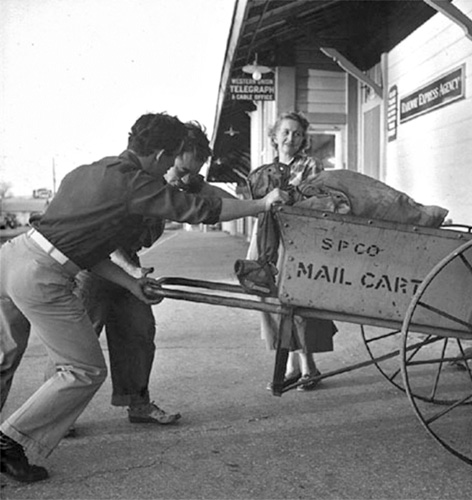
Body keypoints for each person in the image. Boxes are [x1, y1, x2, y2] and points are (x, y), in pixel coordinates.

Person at [0, 112, 288, 483]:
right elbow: (199, 209)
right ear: (160, 155)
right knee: (84, 369)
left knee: (4, 356)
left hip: (13, 257)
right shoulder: (135, 183)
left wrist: (131, 283)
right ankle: (10, 442)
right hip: (41, 275)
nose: (171, 168)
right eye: (170, 160)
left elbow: (84, 249)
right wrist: (262, 205)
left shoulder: (91, 170)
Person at [45, 121, 224, 434]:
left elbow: (215, 200)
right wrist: (132, 272)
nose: (184, 180)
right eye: (180, 170)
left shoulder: (174, 184)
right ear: (164, 156)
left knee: (139, 331)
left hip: (129, 265)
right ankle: (54, 414)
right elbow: (104, 241)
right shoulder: (126, 181)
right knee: (76, 340)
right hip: (95, 264)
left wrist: (260, 206)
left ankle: (138, 403)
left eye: (191, 174)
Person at [244, 111, 337, 391]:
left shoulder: (311, 166)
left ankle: (309, 366)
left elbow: (318, 199)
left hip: (298, 238)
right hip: (267, 237)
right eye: (285, 132)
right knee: (270, 297)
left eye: (297, 134)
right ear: (274, 136)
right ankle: (290, 365)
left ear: (303, 139)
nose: (290, 138)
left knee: (298, 301)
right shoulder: (262, 173)